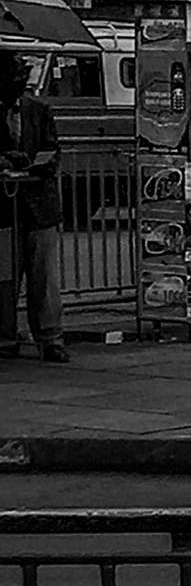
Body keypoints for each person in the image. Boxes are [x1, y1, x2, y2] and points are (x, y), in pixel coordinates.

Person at [0, 52, 68, 363]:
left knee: (44, 277)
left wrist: (33, 164)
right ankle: (6, 336)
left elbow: (52, 150)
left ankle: (50, 337)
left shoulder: (39, 110)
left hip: (39, 204)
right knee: (5, 277)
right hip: (4, 206)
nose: (18, 84)